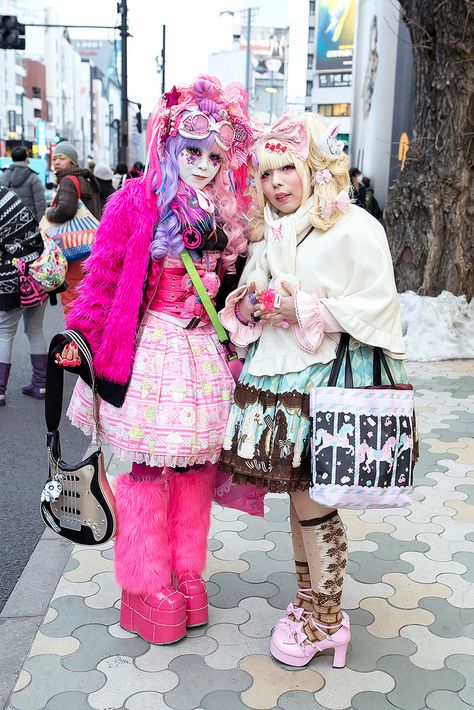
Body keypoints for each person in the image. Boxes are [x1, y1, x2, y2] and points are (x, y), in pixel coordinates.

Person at [58, 75, 252, 644]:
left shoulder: (223, 216)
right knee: (147, 468)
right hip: (149, 351)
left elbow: (229, 291)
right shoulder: (134, 202)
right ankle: (144, 581)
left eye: (213, 155)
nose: (201, 164)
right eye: (192, 151)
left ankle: (185, 569)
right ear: (168, 144)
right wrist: (80, 343)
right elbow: (103, 281)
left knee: (195, 467)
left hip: (201, 353)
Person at [219, 110, 407, 668]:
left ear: (312, 168)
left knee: (315, 497)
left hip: (328, 383)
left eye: (287, 169)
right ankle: (310, 603)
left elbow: (380, 306)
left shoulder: (351, 225)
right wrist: (252, 305)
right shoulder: (269, 236)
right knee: (300, 497)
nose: (277, 183)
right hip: (278, 384)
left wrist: (305, 307)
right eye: (266, 173)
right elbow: (249, 303)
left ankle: (327, 617)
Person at [0, 186, 49, 405]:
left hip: (12, 277)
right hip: (39, 271)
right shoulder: (8, 195)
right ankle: (41, 384)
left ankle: (0, 389)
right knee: (35, 328)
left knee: (4, 332)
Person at [45, 141, 101, 316]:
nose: (56, 162)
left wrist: (49, 213)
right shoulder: (85, 178)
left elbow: (66, 210)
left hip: (74, 248)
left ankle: (74, 339)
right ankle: (87, 336)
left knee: (71, 295)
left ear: (72, 161)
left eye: (61, 158)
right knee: (87, 295)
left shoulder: (68, 180)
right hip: (91, 244)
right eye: (54, 158)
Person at [0, 146, 46, 221]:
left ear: (12, 158)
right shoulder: (33, 177)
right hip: (29, 221)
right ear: (26, 158)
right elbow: (40, 204)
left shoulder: (3, 176)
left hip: (8, 221)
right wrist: (41, 223)